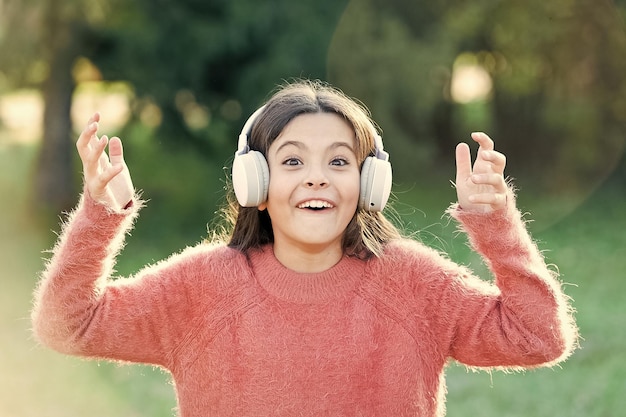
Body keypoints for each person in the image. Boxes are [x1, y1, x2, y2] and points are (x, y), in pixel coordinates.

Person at [31, 79, 578, 417]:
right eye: (292, 161)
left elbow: (538, 336)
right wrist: (100, 217)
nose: (317, 178)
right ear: (256, 185)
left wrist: (496, 226)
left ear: (368, 186)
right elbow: (65, 324)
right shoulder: (200, 287)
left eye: (339, 162)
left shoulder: (413, 281)